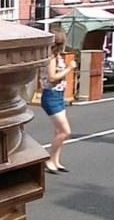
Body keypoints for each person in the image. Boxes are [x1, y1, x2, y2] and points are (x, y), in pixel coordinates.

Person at [40, 29, 76, 174]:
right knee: (65, 132)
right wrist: (69, 68)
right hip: (51, 96)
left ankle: (55, 161)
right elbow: (52, 78)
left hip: (58, 95)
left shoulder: (57, 56)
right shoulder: (51, 58)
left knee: (58, 131)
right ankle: (49, 161)